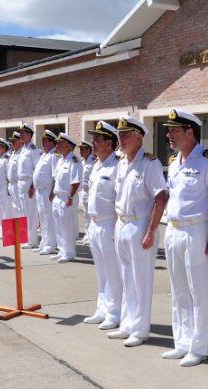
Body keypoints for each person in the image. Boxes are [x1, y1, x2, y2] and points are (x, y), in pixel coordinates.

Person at [160, 109, 208, 366]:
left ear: (191, 132)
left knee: (198, 290)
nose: (169, 135)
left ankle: (199, 347)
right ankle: (182, 342)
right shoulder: (175, 161)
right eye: (169, 130)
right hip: (174, 229)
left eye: (175, 130)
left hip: (197, 229)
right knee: (178, 289)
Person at [106, 116, 167, 347]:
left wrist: (151, 231)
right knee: (126, 277)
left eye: (125, 134)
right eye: (119, 134)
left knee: (140, 279)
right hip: (122, 224)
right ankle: (128, 324)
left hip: (140, 224)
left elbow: (160, 197)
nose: (120, 138)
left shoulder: (149, 164)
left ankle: (140, 330)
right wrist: (116, 227)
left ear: (139, 136)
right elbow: (118, 198)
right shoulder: (121, 163)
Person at [83, 121, 123, 330]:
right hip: (95, 223)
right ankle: (102, 309)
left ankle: (115, 312)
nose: (93, 143)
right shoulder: (96, 165)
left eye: (98, 139)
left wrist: (117, 226)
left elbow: (119, 199)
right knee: (101, 271)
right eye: (94, 139)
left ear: (110, 143)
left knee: (113, 271)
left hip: (109, 224)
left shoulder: (117, 166)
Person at [50, 133, 81, 263]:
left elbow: (76, 182)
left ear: (67, 145)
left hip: (66, 198)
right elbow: (56, 179)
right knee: (58, 226)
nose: (56, 146)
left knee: (66, 227)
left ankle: (69, 253)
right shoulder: (61, 160)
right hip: (57, 197)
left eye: (59, 143)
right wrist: (52, 192)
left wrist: (70, 197)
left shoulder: (74, 160)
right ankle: (62, 250)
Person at [32, 129, 59, 255]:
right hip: (39, 191)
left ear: (52, 142)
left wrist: (53, 191)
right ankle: (44, 241)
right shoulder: (44, 155)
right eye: (42, 141)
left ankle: (51, 244)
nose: (43, 143)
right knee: (42, 217)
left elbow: (55, 176)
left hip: (47, 191)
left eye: (45, 141)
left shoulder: (54, 156)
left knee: (49, 218)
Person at [78, 140, 96, 245]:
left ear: (89, 150)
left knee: (91, 215)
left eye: (83, 149)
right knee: (85, 214)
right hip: (83, 191)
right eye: (80, 149)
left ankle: (91, 236)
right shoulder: (82, 161)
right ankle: (87, 234)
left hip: (90, 191)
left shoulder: (93, 161)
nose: (81, 151)